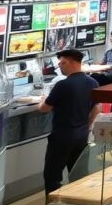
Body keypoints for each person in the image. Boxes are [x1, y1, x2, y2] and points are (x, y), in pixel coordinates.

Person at [39, 49, 100, 195]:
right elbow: (97, 108)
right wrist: (88, 125)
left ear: (72, 62)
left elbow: (44, 108)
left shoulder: (62, 85)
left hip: (61, 137)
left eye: (62, 63)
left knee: (52, 176)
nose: (60, 66)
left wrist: (42, 100)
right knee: (78, 174)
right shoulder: (93, 82)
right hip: (81, 136)